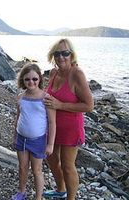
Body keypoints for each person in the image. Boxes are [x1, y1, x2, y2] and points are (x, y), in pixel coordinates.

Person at [43, 38, 94, 200]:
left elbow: (89, 105)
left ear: (71, 55)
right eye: (57, 53)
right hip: (52, 127)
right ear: (52, 55)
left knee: (67, 166)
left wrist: (60, 105)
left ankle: (70, 198)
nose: (61, 57)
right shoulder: (53, 73)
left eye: (65, 53)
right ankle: (60, 189)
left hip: (71, 128)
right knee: (51, 159)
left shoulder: (76, 74)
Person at [11, 63, 56, 200]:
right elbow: (19, 117)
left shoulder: (46, 98)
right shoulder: (20, 97)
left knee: (37, 170)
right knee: (22, 167)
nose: (31, 82)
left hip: (38, 141)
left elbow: (52, 122)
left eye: (34, 79)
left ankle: (38, 197)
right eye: (27, 79)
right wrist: (15, 136)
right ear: (23, 80)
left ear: (40, 79)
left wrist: (50, 144)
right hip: (21, 138)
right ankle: (22, 191)